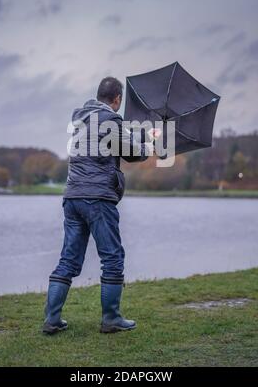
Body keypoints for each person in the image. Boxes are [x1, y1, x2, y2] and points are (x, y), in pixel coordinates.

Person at [43, 77, 156, 335]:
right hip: (98, 198)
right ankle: (111, 319)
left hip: (72, 197)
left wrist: (133, 134)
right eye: (120, 100)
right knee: (113, 258)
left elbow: (108, 143)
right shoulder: (111, 120)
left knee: (68, 259)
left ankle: (51, 319)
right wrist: (148, 142)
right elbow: (132, 153)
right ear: (116, 98)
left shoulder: (81, 118)